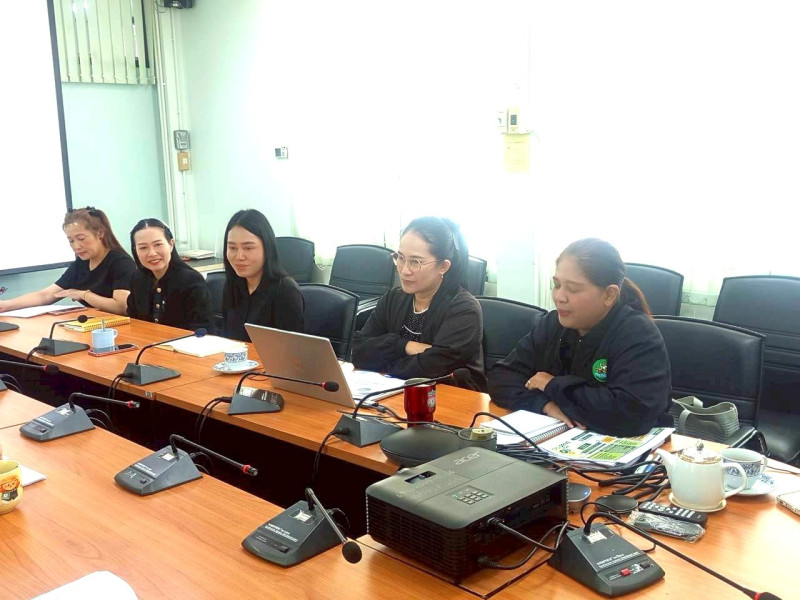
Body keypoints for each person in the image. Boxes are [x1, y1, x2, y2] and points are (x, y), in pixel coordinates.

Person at [488, 238, 671, 437]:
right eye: (557, 285)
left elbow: (629, 414)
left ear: (609, 295)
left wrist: (552, 385)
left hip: (630, 447)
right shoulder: (552, 324)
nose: (559, 297)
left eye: (573, 289)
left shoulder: (638, 334)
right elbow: (501, 378)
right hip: (558, 439)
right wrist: (544, 405)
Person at [352, 217, 486, 391]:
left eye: (415, 262)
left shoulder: (464, 309)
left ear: (443, 266)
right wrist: (404, 345)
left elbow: (433, 368)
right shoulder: (393, 298)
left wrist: (385, 360)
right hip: (395, 392)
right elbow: (359, 350)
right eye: (400, 258)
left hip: (449, 397)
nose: (404, 270)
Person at [0, 207, 135, 315]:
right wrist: (6, 305)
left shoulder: (120, 262)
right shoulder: (81, 263)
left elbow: (121, 307)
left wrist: (83, 294)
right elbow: (46, 295)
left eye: (81, 239)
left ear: (100, 233)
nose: (76, 246)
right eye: (71, 240)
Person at [221, 209, 303, 341]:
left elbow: (290, 349)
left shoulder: (285, 290)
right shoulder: (232, 284)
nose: (239, 256)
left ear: (267, 248)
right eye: (232, 248)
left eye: (248, 248)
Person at [127, 218, 214, 331]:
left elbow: (203, 330)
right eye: (143, 247)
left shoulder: (191, 281)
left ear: (171, 244)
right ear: (135, 250)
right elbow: (133, 322)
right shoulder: (138, 278)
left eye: (158, 244)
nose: (152, 253)